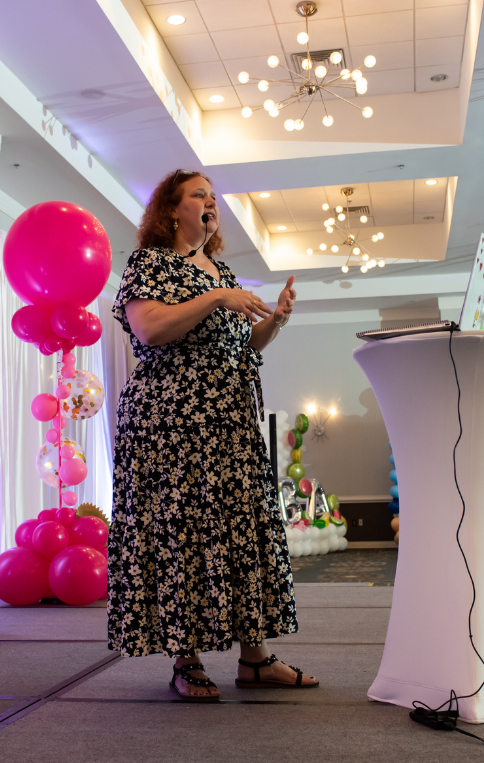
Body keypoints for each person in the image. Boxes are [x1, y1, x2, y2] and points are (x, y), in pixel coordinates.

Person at [107, 169, 317, 702]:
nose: (210, 202)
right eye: (199, 194)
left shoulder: (219, 270)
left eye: (212, 196)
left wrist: (277, 321)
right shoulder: (151, 263)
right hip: (170, 424)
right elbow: (150, 329)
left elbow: (242, 350)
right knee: (184, 533)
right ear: (171, 209)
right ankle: (186, 658)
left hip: (228, 422)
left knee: (240, 531)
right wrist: (217, 298)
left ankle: (255, 658)